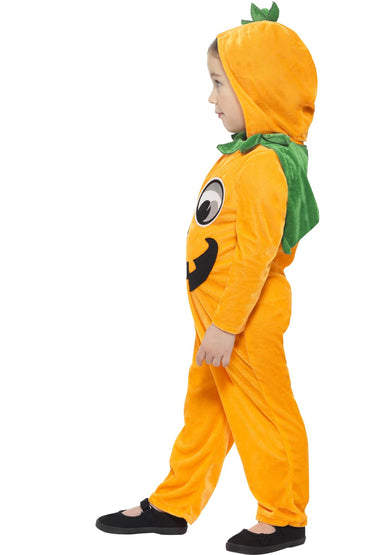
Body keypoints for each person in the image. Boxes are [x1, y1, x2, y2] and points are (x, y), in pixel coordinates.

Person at [96, 3, 319, 553]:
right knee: (207, 407)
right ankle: (175, 503)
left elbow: (257, 256)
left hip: (243, 319)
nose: (211, 99)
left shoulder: (265, 165)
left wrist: (226, 325)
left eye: (220, 84)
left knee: (264, 411)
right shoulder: (240, 159)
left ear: (257, 89)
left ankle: (283, 515)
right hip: (217, 317)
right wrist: (215, 323)